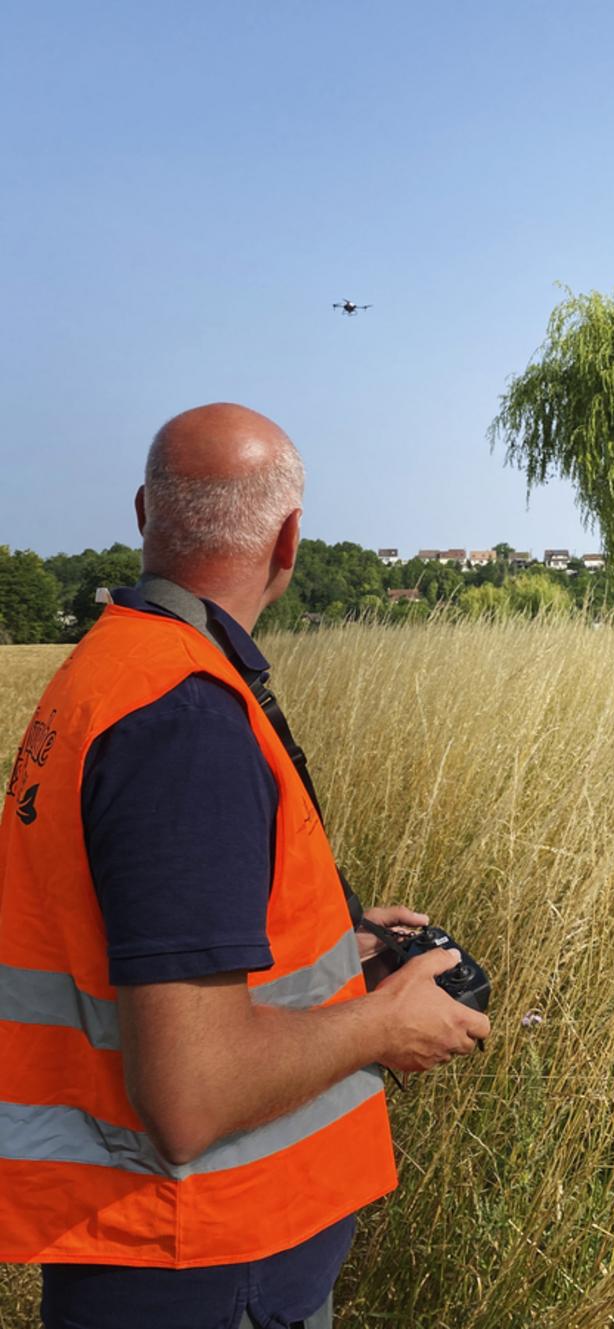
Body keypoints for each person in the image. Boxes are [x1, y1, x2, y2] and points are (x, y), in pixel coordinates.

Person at [0, 403, 490, 1329]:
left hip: (160, 1254)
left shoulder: (113, 670)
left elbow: (144, 934)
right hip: (204, 1259)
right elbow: (192, 1093)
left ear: (145, 513)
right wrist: (381, 1022)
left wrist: (336, 947)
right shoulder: (184, 722)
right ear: (291, 540)